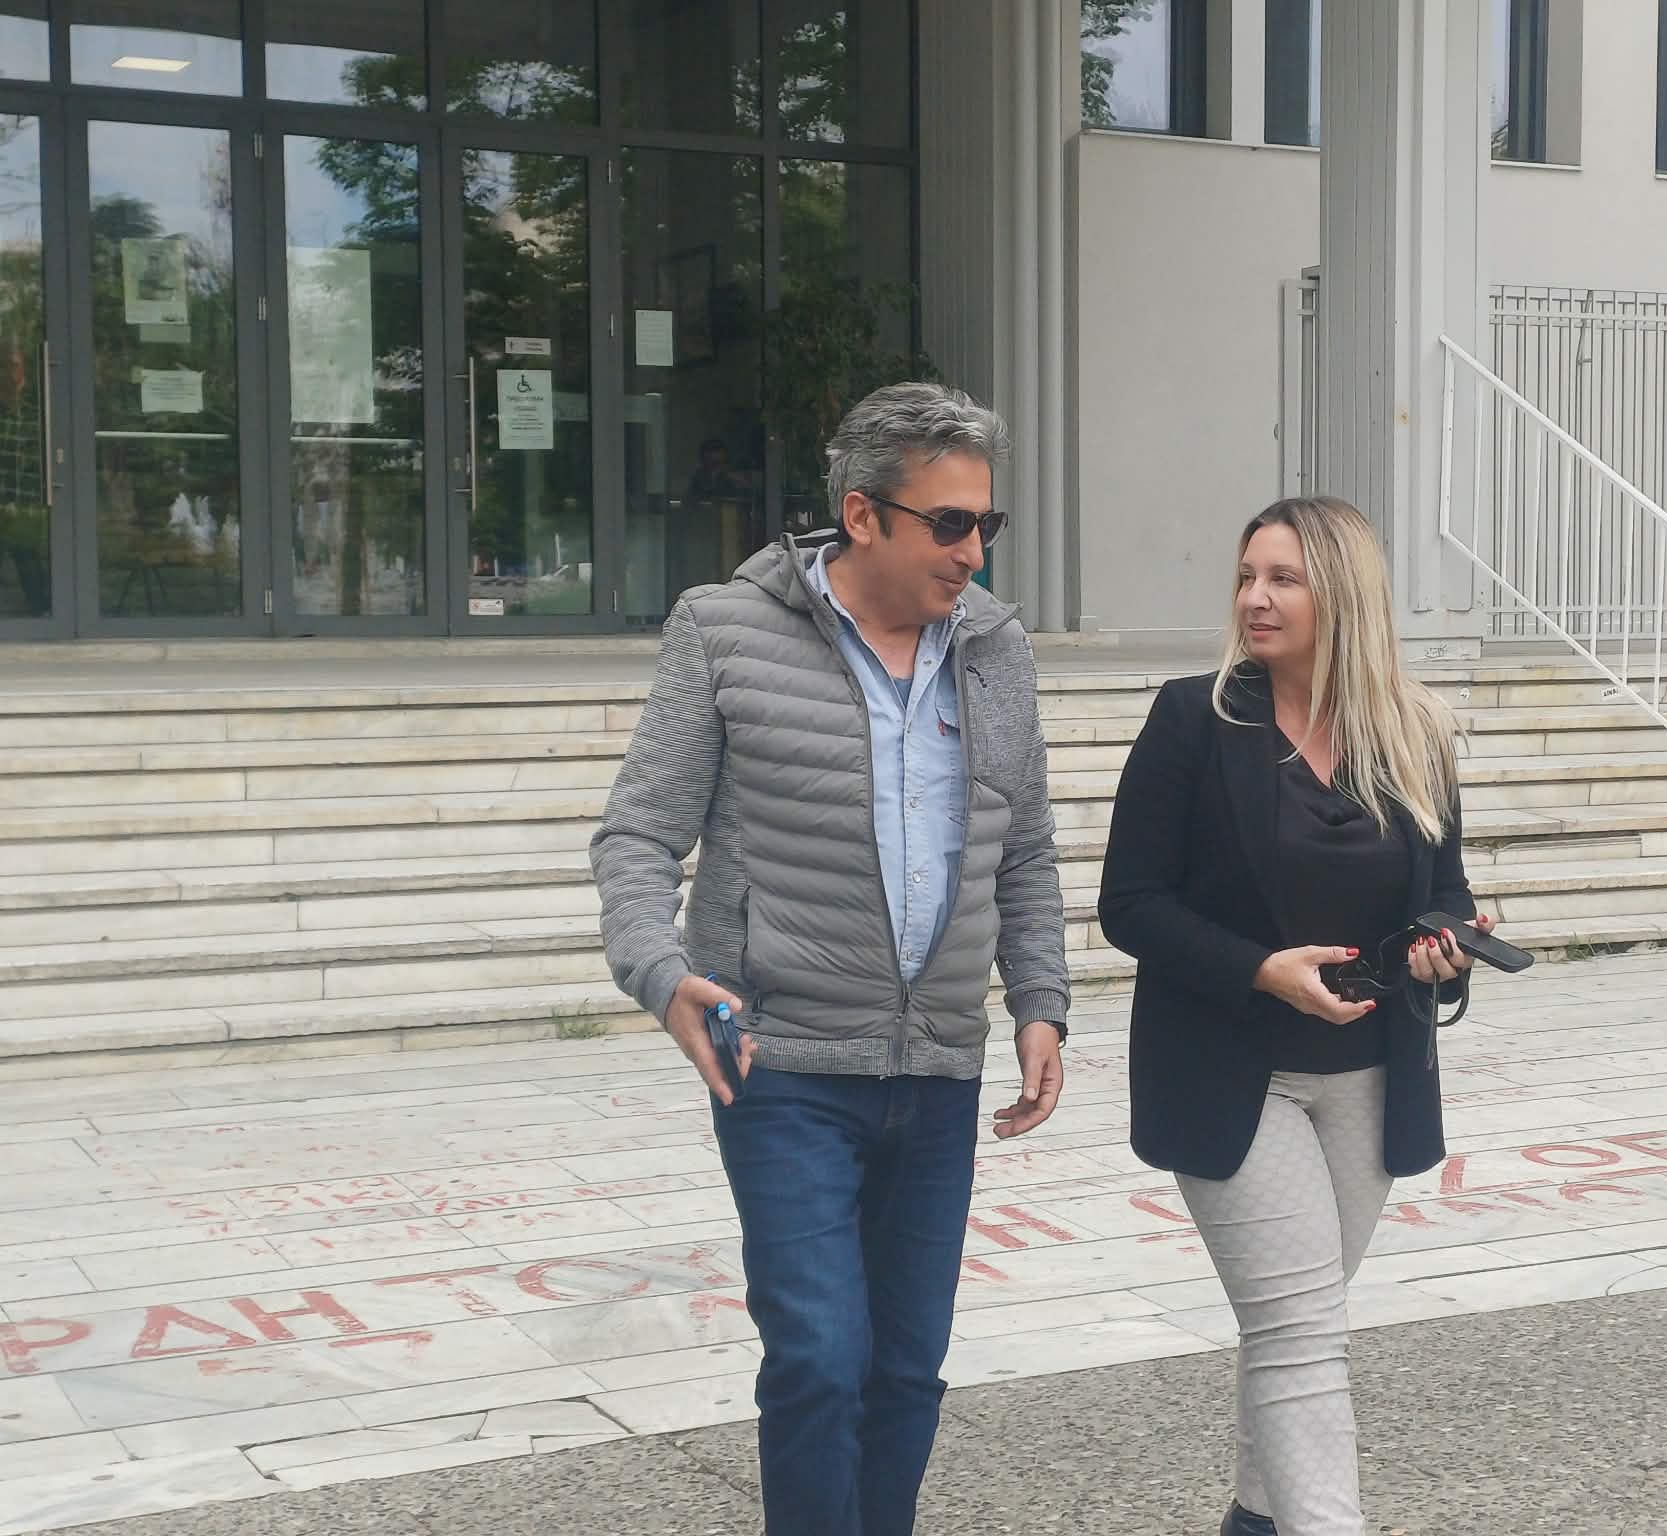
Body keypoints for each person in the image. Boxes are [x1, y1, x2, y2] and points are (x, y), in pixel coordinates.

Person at [591, 381, 1071, 1536]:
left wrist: (1039, 1002)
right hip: (784, 1064)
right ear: (861, 515)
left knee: (904, 1370)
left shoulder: (993, 648)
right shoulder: (723, 631)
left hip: (938, 1068)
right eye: (948, 523)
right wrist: (660, 972)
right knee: (817, 1357)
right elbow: (637, 834)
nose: (972, 551)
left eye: (986, 524)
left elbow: (1024, 847)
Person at [1097, 496, 1497, 1536]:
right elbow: (1129, 904)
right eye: (1246, 577)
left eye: (1283, 578)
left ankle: (1255, 1520)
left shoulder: (1413, 731)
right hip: (1230, 1072)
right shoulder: (1194, 719)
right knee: (1299, 1333)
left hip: (1370, 1076)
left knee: (1296, 1326)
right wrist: (1259, 970)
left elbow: (1442, 890)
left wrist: (1445, 943)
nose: (1254, 599)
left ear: (1343, 595)